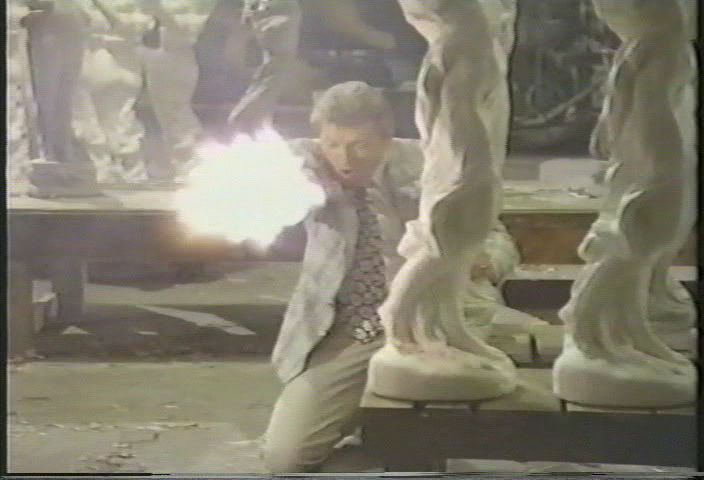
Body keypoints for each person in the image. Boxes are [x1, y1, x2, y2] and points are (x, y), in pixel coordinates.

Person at [263, 81, 518, 473]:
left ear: (386, 140)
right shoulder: (308, 166)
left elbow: (498, 239)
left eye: (360, 146)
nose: (345, 159)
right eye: (333, 144)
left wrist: (479, 260)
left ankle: (405, 453)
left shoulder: (430, 165)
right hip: (346, 329)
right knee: (285, 458)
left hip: (426, 324)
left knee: (419, 436)